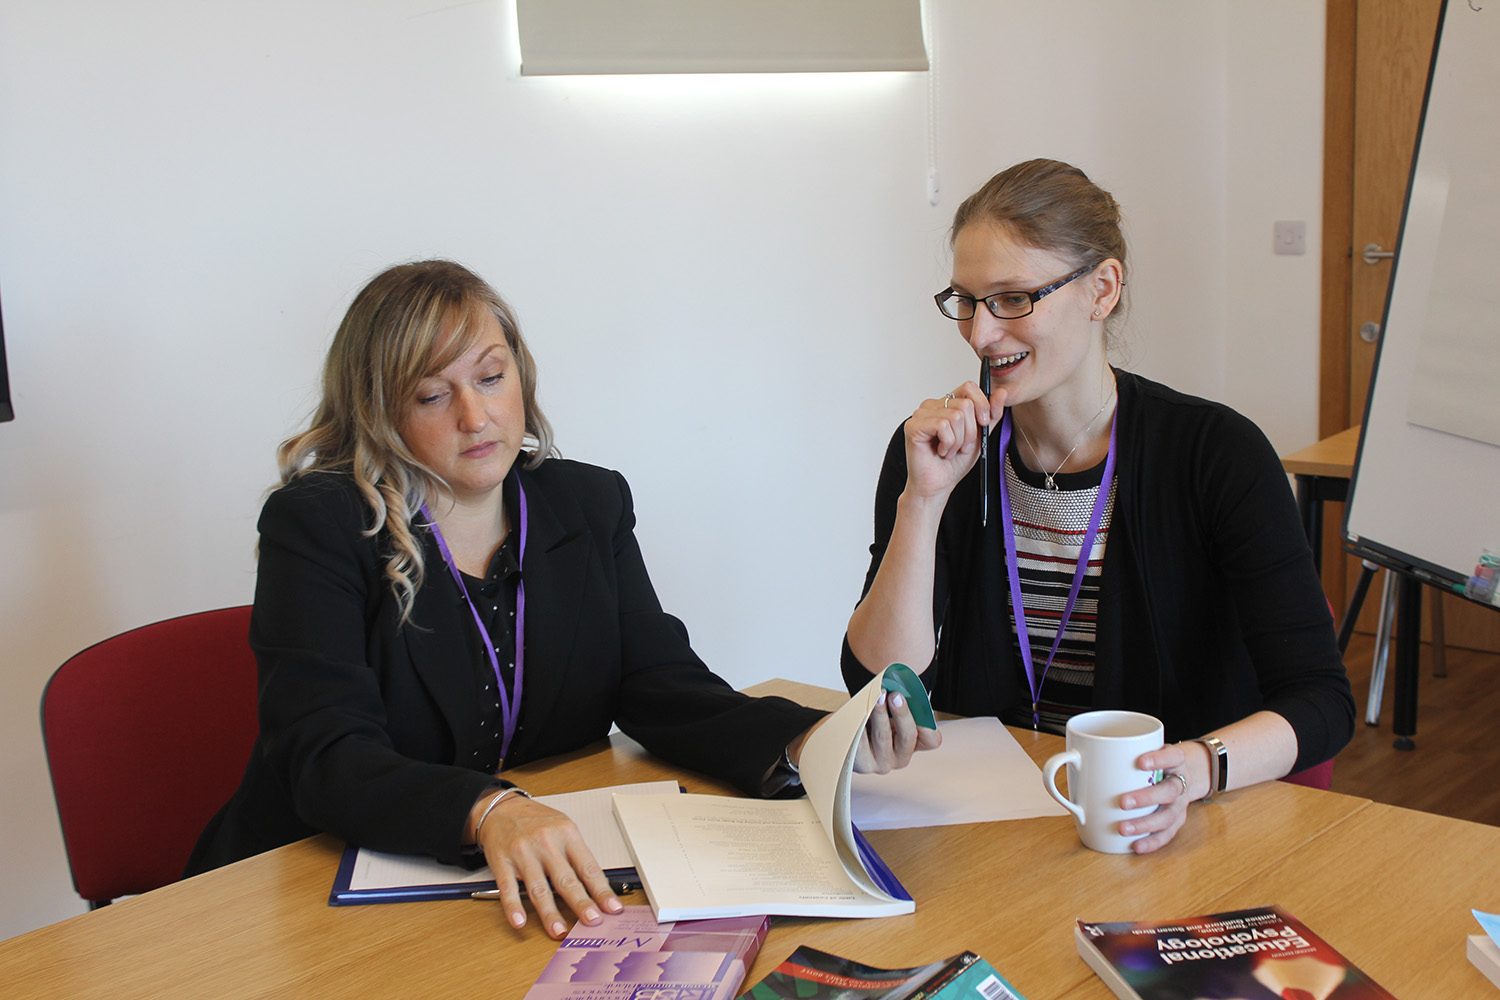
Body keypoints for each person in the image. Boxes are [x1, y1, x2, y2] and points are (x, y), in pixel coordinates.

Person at [187, 259, 938, 937]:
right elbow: (325, 755)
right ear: (379, 412)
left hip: (517, 888)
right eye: (430, 395)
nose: (476, 418)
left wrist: (807, 743)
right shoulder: (319, 523)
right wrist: (490, 811)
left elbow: (661, 688)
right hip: (306, 890)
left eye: (490, 377)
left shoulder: (586, 503)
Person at [842, 159, 1354, 853]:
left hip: (1169, 833)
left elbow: (1321, 702)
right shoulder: (938, 454)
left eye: (1013, 299)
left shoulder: (1215, 454)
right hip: (996, 838)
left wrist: (1198, 770)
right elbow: (881, 688)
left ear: (1102, 289)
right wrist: (923, 501)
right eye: (965, 300)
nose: (980, 334)